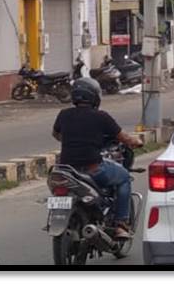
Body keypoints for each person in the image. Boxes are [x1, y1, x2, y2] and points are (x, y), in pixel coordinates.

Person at [52, 77, 143, 237]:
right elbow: (125, 139)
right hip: (92, 170)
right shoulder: (101, 116)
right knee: (124, 177)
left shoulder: (64, 114)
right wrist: (136, 141)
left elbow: (56, 134)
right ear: (94, 96)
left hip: (67, 171)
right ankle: (120, 224)